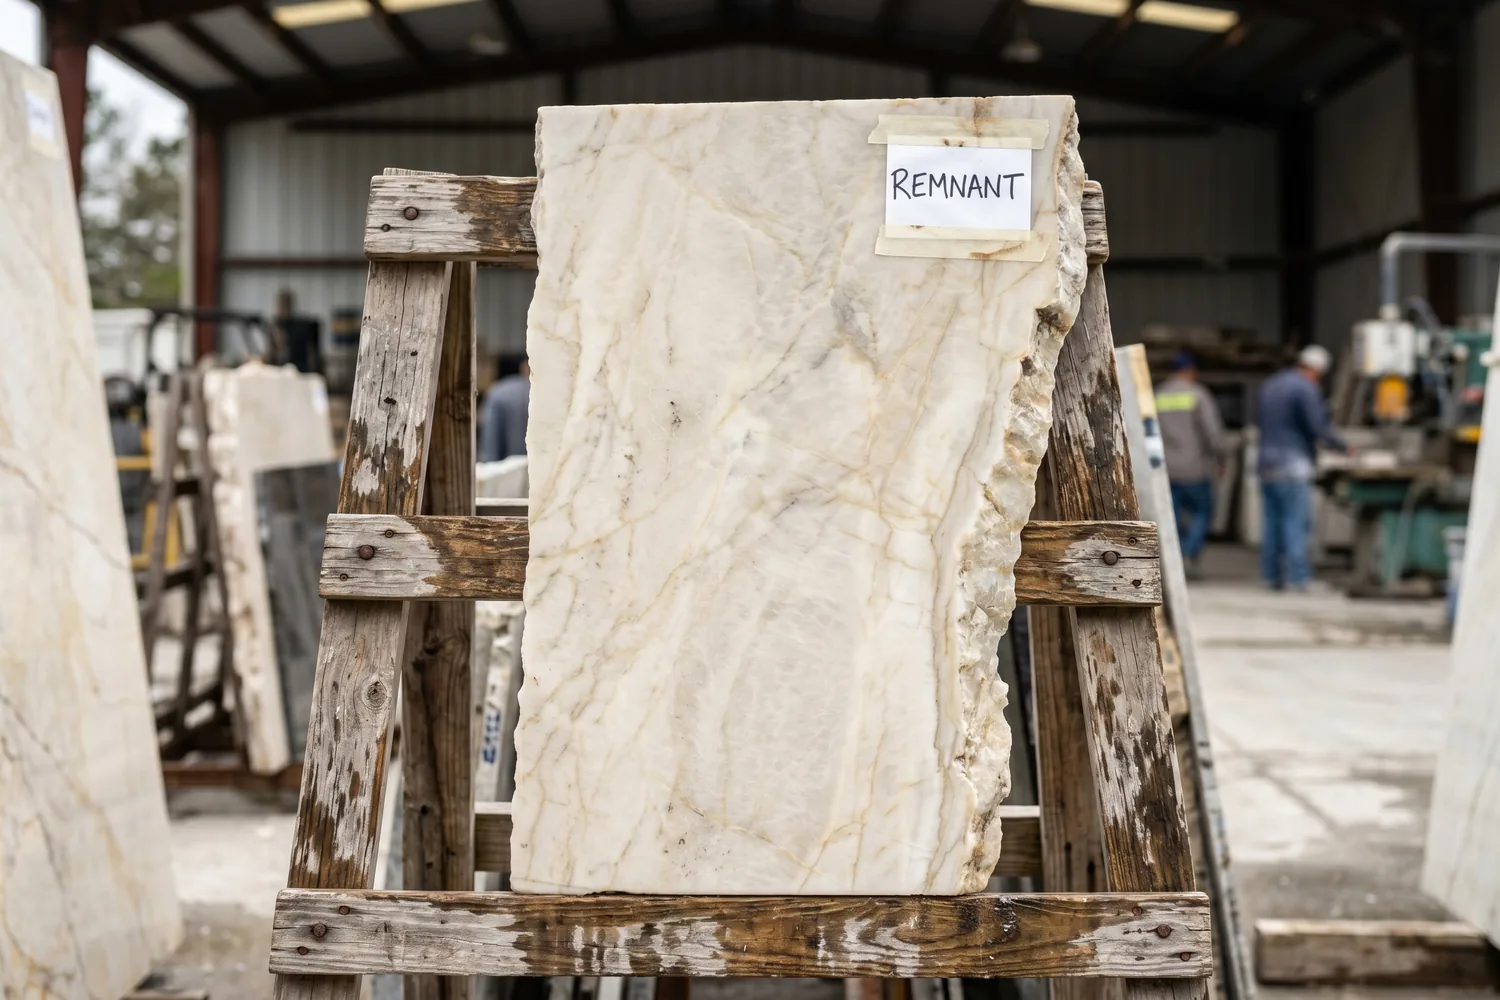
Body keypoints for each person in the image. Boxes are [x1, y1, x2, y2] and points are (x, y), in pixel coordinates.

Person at [1256, 344, 1351, 591]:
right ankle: (1297, 578)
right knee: (1295, 523)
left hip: (1266, 464)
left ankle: (1272, 576)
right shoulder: (1305, 388)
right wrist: (1344, 446)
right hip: (1293, 466)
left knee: (1272, 523)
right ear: (1317, 370)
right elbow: (1317, 427)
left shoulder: (1271, 385)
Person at [1155, 352, 1225, 580]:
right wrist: (1220, 459)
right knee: (1201, 512)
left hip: (1166, 469)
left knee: (1171, 516)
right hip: (1195, 468)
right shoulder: (1198, 394)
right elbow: (1213, 434)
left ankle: (1173, 559)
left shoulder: (1158, 395)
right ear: (1192, 370)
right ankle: (1189, 554)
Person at [480, 353, 530, 462]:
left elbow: (490, 445)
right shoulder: (556, 395)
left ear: (524, 366)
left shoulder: (498, 392)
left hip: (508, 472)